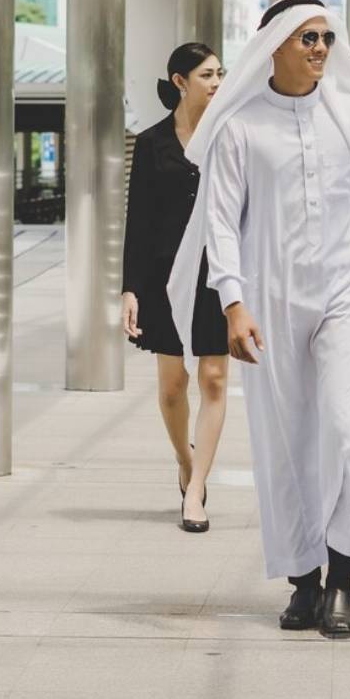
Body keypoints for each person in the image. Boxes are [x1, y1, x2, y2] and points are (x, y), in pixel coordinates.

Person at [168, 0, 350, 639]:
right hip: (269, 297)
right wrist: (233, 303)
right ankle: (303, 580)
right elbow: (221, 223)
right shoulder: (239, 125)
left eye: (326, 37)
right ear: (275, 44)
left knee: (348, 430)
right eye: (307, 38)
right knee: (287, 439)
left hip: (347, 291)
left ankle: (344, 575)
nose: (321, 48)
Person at [121, 42, 228, 535]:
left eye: (220, 74)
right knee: (171, 388)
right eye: (207, 74)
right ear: (180, 81)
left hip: (216, 274)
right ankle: (184, 463)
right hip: (164, 279)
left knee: (212, 379)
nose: (217, 82)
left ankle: (198, 486)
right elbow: (138, 223)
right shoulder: (151, 143)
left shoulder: (230, 137)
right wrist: (130, 289)